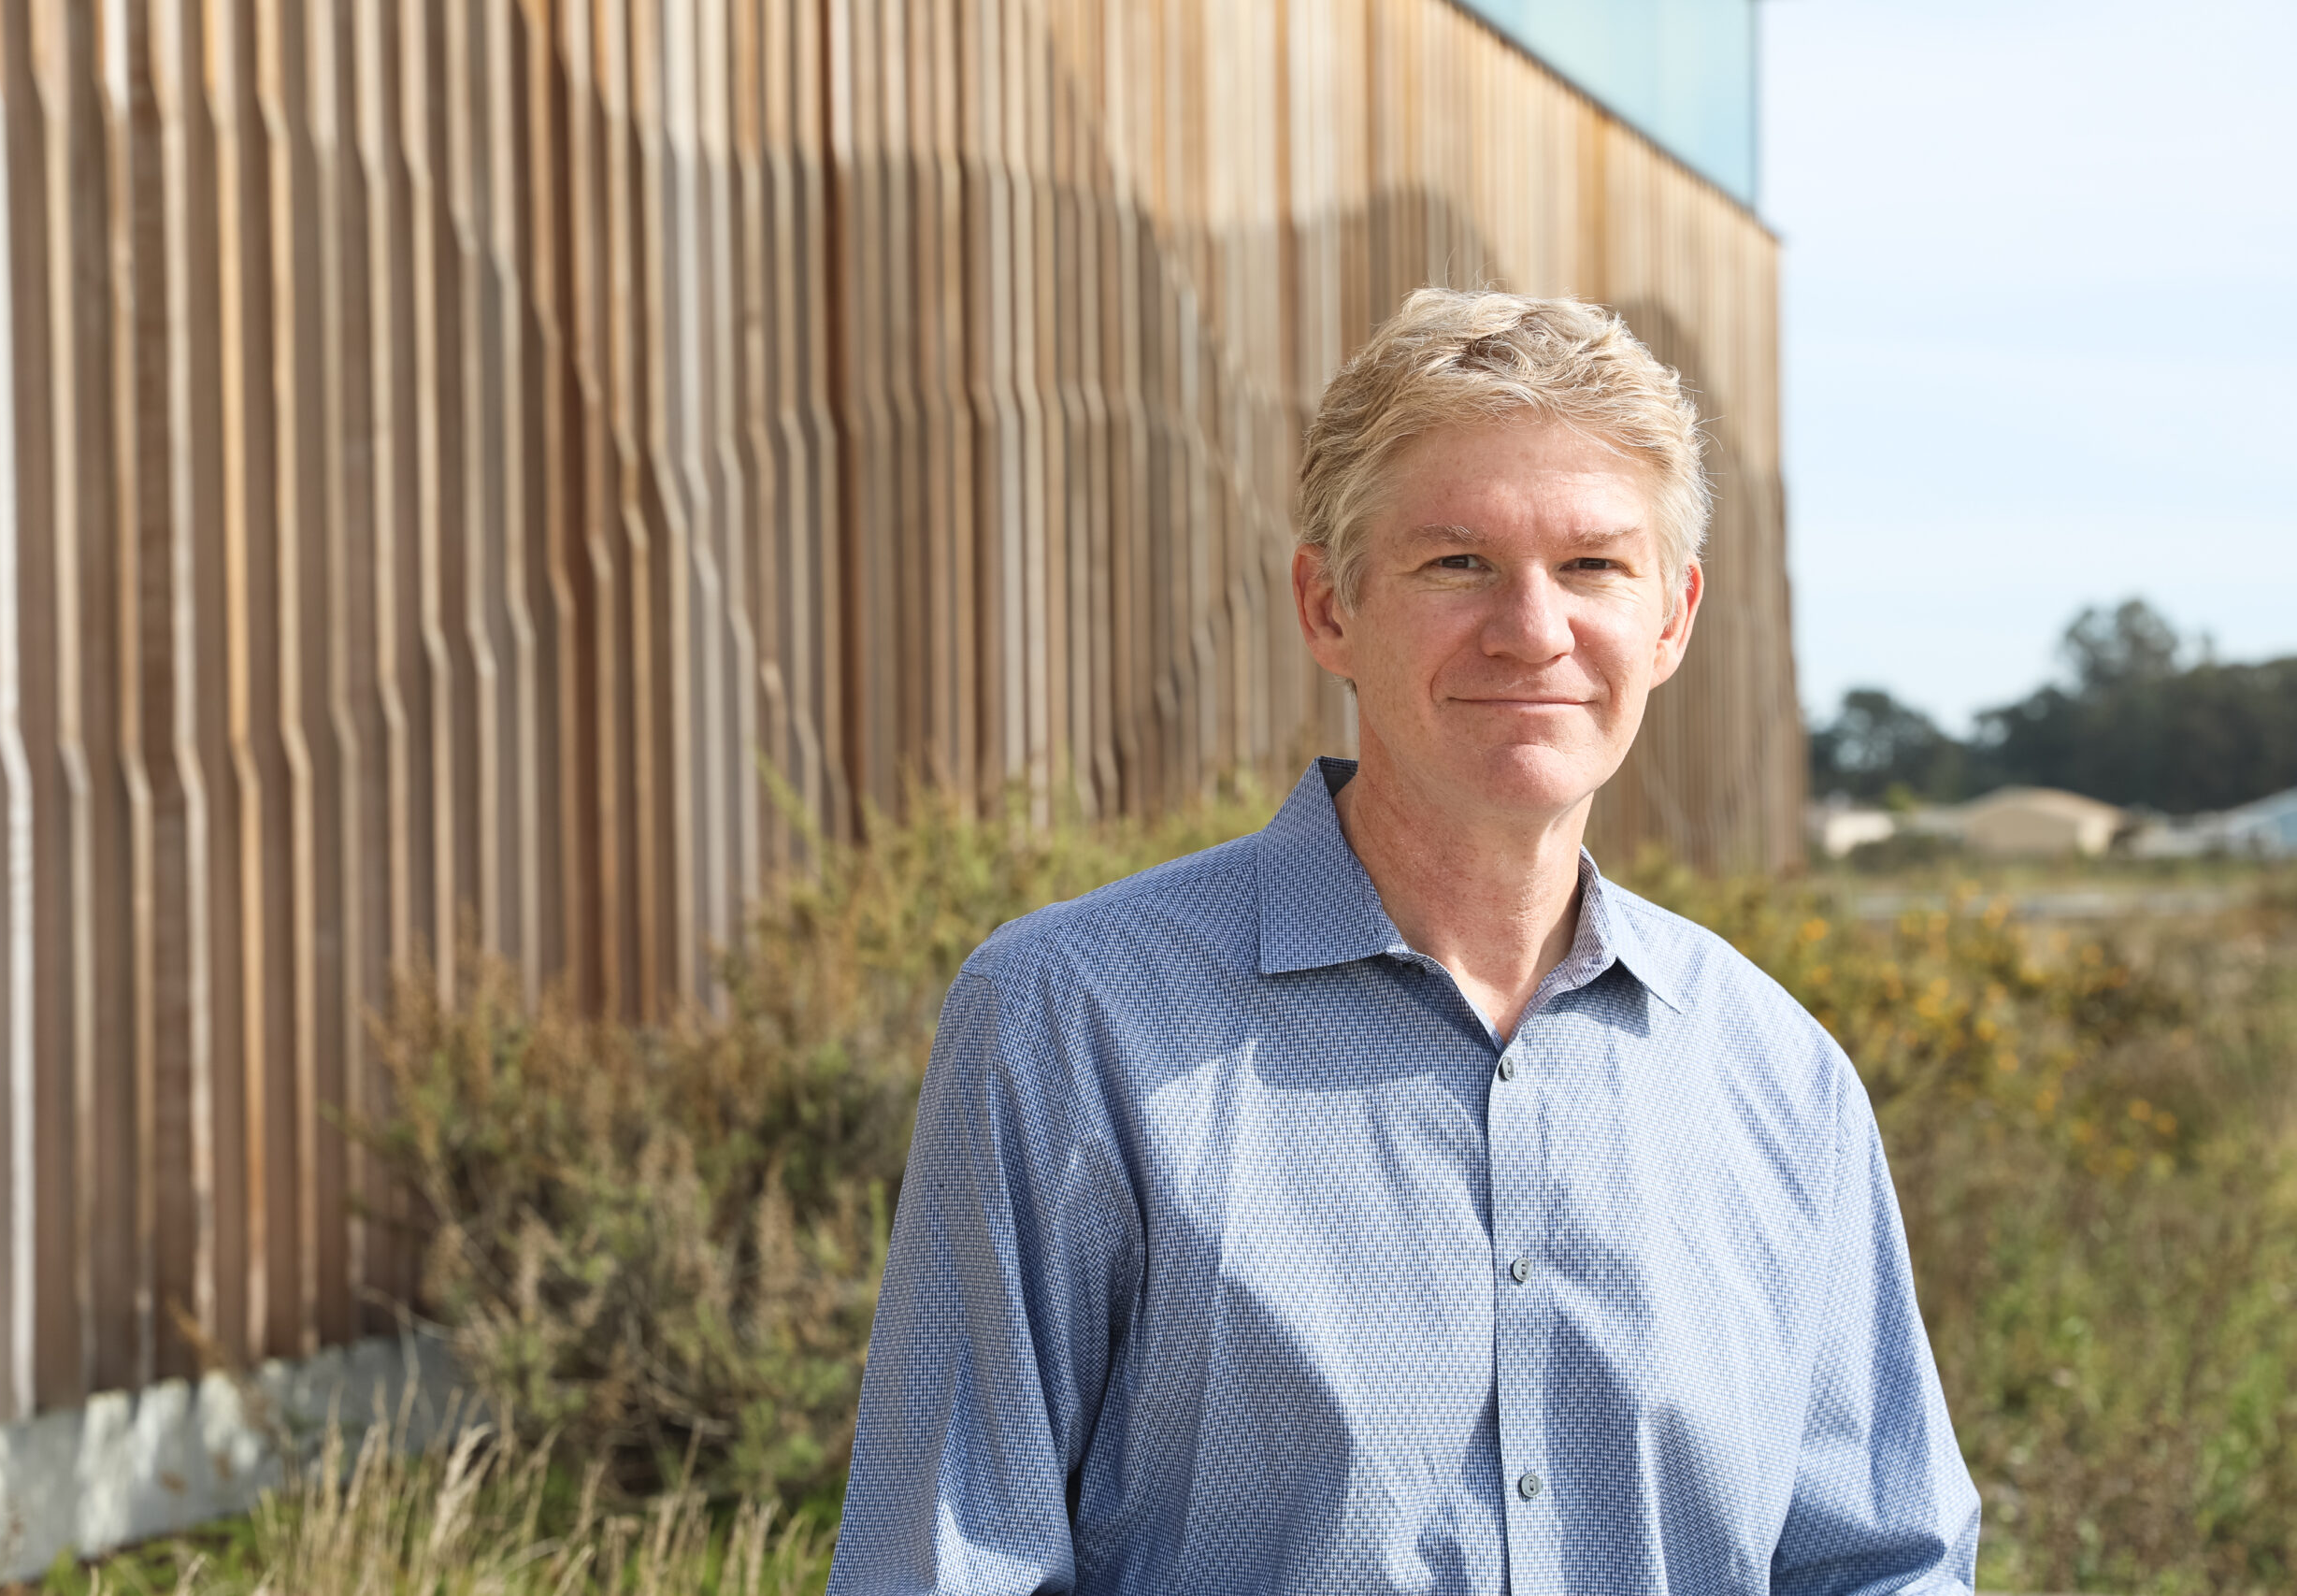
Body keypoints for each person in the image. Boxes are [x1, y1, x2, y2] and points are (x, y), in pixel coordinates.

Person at [828, 289, 1979, 1594]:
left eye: (1593, 566)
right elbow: (944, 1564)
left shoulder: (1780, 1075)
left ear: (1671, 619)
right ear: (1330, 607)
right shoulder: (1073, 1017)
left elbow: (1883, 1564)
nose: (1533, 630)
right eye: (1458, 563)